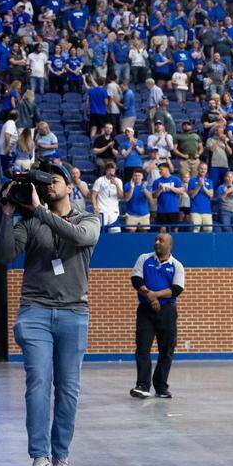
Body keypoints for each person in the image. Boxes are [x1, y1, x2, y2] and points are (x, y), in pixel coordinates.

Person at [0, 164, 99, 466]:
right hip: (36, 311)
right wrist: (7, 214)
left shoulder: (88, 219)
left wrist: (39, 210)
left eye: (54, 181)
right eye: (45, 183)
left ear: (70, 187)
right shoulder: (29, 220)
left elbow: (79, 237)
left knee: (68, 389)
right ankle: (39, 457)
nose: (49, 186)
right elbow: (4, 254)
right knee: (38, 383)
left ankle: (61, 456)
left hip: (73, 313)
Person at [130, 233, 184, 399]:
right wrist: (149, 297)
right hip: (145, 310)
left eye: (161, 240)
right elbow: (137, 280)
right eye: (156, 240)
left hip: (167, 311)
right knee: (143, 348)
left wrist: (155, 295)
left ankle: (161, 387)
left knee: (166, 350)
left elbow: (176, 289)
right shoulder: (144, 258)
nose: (157, 242)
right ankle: (143, 385)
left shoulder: (177, 265)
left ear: (170, 245)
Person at [90, 161, 122, 231]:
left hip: (114, 211)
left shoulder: (118, 181)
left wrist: (116, 185)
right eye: (109, 170)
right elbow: (93, 195)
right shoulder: (99, 180)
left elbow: (120, 196)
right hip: (102, 210)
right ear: (106, 171)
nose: (111, 172)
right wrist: (95, 207)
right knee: (101, 231)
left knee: (115, 232)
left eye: (113, 170)